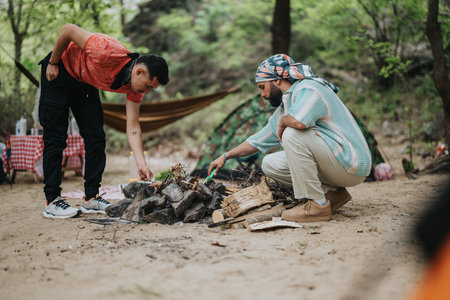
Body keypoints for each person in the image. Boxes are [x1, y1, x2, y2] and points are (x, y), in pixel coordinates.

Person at [208, 54, 371, 222]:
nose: (262, 94)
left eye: (262, 87)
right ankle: (333, 194)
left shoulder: (309, 88)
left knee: (291, 133)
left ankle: (316, 205)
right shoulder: (286, 104)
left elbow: (299, 122)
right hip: (337, 165)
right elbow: (257, 140)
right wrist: (226, 156)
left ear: (277, 80)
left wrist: (283, 123)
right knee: (270, 164)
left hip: (352, 162)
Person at [39, 23, 169, 219]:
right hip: (60, 72)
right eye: (148, 86)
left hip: (85, 82)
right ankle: (53, 201)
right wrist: (53, 62)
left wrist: (141, 163)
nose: (147, 92)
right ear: (139, 71)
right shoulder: (105, 50)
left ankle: (92, 197)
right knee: (56, 138)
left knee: (96, 137)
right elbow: (68, 30)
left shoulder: (134, 88)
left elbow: (133, 125)